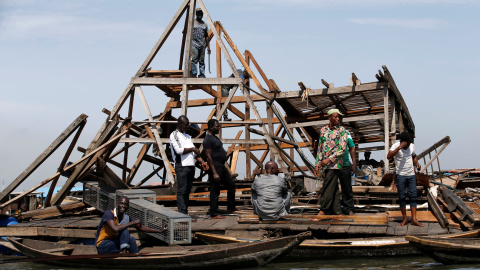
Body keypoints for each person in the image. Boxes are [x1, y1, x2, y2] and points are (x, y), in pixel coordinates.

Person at [96, 196, 166, 254]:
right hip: (103, 246)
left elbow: (141, 227)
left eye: (126, 204)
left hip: (114, 243)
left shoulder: (126, 218)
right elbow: (115, 228)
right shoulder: (109, 214)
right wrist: (132, 223)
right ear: (117, 204)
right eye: (121, 203)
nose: (123, 206)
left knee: (131, 239)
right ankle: (124, 253)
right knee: (125, 231)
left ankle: (136, 258)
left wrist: (159, 231)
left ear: (128, 207)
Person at [170, 115, 209, 214]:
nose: (187, 127)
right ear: (180, 124)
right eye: (186, 125)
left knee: (187, 191)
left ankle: (185, 213)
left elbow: (194, 153)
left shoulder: (187, 136)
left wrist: (201, 161)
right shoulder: (174, 134)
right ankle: (181, 214)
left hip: (190, 166)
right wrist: (193, 149)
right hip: (181, 166)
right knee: (182, 191)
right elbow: (179, 151)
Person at [313, 108, 347, 215]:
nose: (338, 119)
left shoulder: (342, 130)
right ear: (330, 118)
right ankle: (337, 212)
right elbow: (320, 149)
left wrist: (329, 159)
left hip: (335, 164)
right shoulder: (323, 131)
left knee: (327, 186)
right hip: (324, 164)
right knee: (333, 187)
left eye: (339, 117)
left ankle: (323, 210)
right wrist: (317, 165)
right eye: (336, 117)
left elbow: (342, 149)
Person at [387, 131, 423, 227]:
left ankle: (414, 219)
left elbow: (414, 156)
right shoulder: (396, 146)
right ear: (402, 141)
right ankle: (405, 219)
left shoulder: (411, 146)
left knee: (413, 196)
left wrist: (416, 163)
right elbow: (388, 156)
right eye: (406, 143)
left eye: (409, 143)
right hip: (400, 175)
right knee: (402, 197)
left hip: (411, 175)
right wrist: (399, 148)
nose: (407, 145)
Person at [203, 119, 236, 218]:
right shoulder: (207, 139)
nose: (219, 128)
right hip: (215, 166)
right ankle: (214, 213)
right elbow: (208, 157)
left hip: (221, 165)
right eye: (217, 126)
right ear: (210, 127)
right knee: (215, 189)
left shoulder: (215, 138)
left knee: (231, 185)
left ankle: (230, 207)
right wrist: (214, 173)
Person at [338, 130, 357, 215]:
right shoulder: (327, 132)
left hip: (345, 164)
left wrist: (354, 163)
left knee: (347, 187)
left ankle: (348, 208)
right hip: (331, 165)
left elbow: (351, 147)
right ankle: (335, 208)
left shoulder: (346, 132)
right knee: (332, 188)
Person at [191, 8, 211, 78]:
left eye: (201, 13)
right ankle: (194, 73)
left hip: (202, 45)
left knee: (201, 61)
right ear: (196, 14)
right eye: (198, 13)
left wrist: (208, 47)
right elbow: (187, 32)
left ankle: (202, 74)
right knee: (194, 60)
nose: (200, 15)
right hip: (194, 44)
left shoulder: (204, 24)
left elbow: (206, 36)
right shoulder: (192, 23)